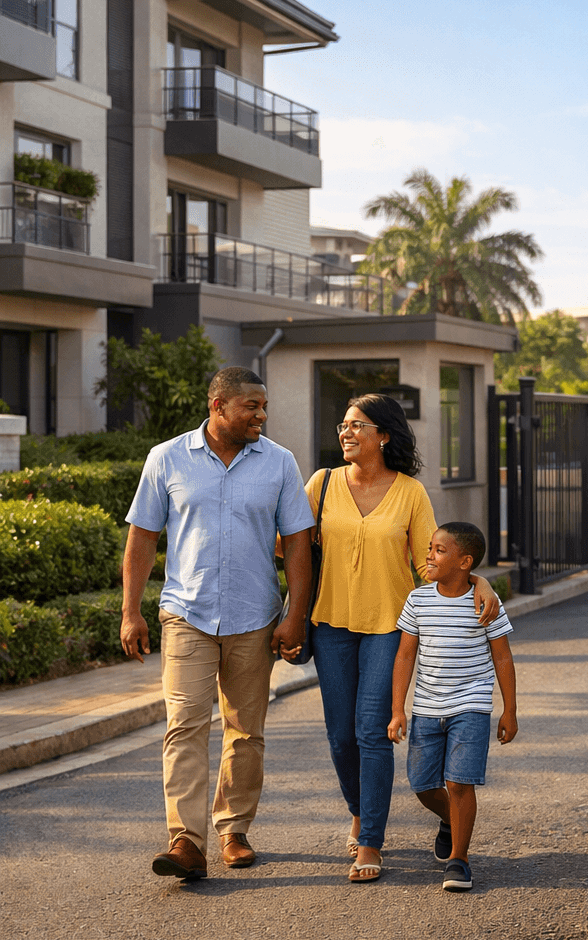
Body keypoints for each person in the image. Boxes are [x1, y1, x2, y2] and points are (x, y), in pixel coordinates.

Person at [121, 367, 314, 880]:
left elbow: (297, 539)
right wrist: (130, 610)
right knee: (184, 724)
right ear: (218, 405)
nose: (261, 415)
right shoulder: (166, 459)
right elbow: (142, 536)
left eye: (263, 406)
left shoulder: (279, 462)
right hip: (188, 613)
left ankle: (233, 829)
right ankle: (185, 840)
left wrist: (295, 613)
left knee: (244, 730)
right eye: (250, 405)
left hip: (254, 617)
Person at [304, 394, 501, 883]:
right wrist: (290, 618)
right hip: (330, 624)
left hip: (389, 626)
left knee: (371, 731)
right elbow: (296, 552)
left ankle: (370, 839)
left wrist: (478, 580)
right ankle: (365, 808)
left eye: (357, 425)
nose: (345, 433)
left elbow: (431, 562)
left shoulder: (410, 492)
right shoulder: (322, 485)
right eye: (343, 425)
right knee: (339, 736)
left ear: (384, 435)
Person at [387, 523, 517, 892]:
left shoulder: (485, 602)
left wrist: (510, 710)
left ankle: (459, 860)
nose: (429, 555)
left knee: (459, 782)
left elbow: (503, 658)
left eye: (439, 550)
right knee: (423, 784)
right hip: (427, 706)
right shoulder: (419, 601)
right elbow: (404, 656)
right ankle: (450, 820)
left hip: (471, 706)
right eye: (430, 548)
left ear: (465, 562)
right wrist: (399, 710)